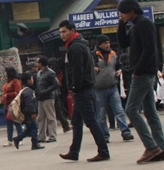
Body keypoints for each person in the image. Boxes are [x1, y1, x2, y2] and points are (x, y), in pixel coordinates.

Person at [117, 0, 164, 163]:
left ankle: (151, 146)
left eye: (123, 12)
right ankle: (162, 149)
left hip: (143, 73)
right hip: (142, 72)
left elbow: (149, 49)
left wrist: (138, 71)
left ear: (132, 11)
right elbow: (124, 42)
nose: (121, 15)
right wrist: (121, 24)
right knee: (150, 112)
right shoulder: (135, 25)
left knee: (131, 109)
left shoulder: (144, 23)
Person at [57, 21, 110, 162]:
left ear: (72, 30)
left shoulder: (75, 47)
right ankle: (74, 151)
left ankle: (103, 151)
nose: (62, 34)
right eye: (60, 32)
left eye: (64, 31)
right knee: (76, 120)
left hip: (82, 89)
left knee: (91, 121)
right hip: (85, 88)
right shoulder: (80, 45)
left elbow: (77, 70)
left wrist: (75, 87)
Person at [93, 37, 134, 142]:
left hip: (112, 86)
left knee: (119, 110)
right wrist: (92, 69)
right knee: (101, 114)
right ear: (99, 44)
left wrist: (119, 70)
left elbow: (119, 65)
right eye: (105, 43)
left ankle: (126, 132)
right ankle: (104, 136)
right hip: (98, 88)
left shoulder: (113, 54)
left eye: (108, 42)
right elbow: (87, 67)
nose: (107, 45)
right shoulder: (93, 55)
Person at [13, 72, 42, 150]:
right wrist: (33, 112)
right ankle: (35, 144)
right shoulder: (28, 91)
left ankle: (18, 138)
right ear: (29, 81)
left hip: (26, 113)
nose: (33, 80)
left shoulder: (24, 89)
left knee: (30, 128)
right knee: (34, 127)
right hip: (28, 113)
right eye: (32, 78)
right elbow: (29, 103)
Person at [34, 57, 60, 143]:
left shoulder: (50, 73)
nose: (36, 64)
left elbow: (56, 84)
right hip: (41, 98)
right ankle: (41, 136)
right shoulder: (39, 73)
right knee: (40, 118)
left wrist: (46, 91)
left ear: (41, 63)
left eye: (38, 62)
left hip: (48, 97)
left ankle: (52, 136)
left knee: (51, 117)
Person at [1, 66, 23, 146]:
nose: (5, 73)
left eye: (6, 72)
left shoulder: (15, 81)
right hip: (7, 104)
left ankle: (20, 138)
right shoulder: (7, 82)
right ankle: (9, 140)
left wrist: (8, 95)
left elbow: (18, 92)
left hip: (13, 104)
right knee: (9, 122)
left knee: (16, 122)